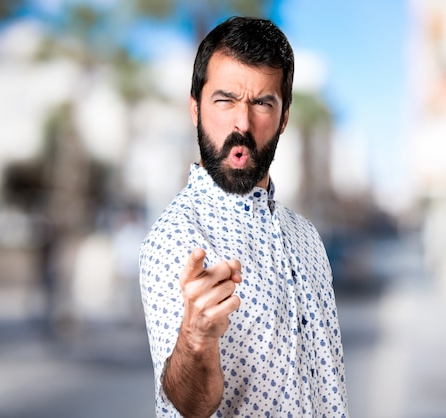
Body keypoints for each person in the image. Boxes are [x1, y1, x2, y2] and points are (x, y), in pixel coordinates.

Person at [139, 16, 348, 417]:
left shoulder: (304, 235)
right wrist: (195, 338)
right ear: (195, 109)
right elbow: (188, 406)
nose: (242, 122)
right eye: (225, 100)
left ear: (283, 117)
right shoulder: (175, 239)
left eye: (262, 103)